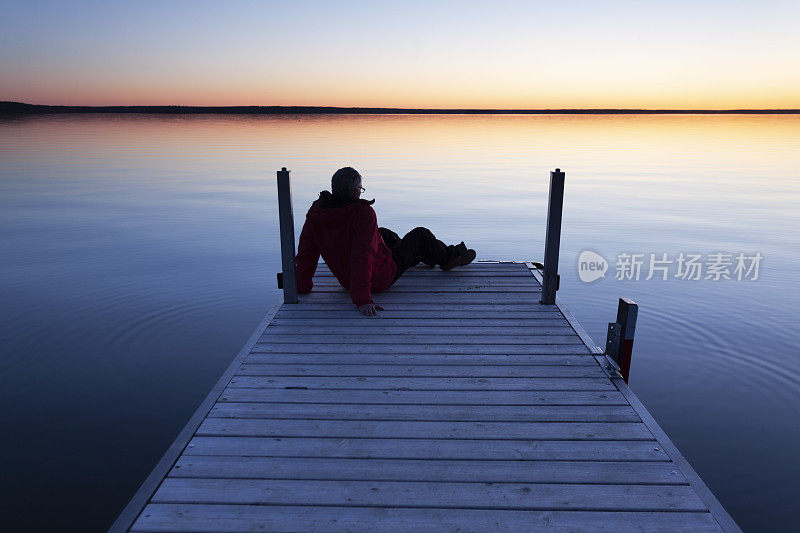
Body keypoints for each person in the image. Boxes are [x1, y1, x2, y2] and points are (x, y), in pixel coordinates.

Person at [294, 167, 476, 316]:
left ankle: (424, 255)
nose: (361, 192)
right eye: (361, 188)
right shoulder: (362, 213)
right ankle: (448, 259)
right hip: (379, 278)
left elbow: (306, 254)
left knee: (383, 234)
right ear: (355, 191)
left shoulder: (317, 213)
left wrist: (302, 285)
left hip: (347, 279)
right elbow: (362, 256)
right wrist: (363, 299)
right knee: (420, 234)